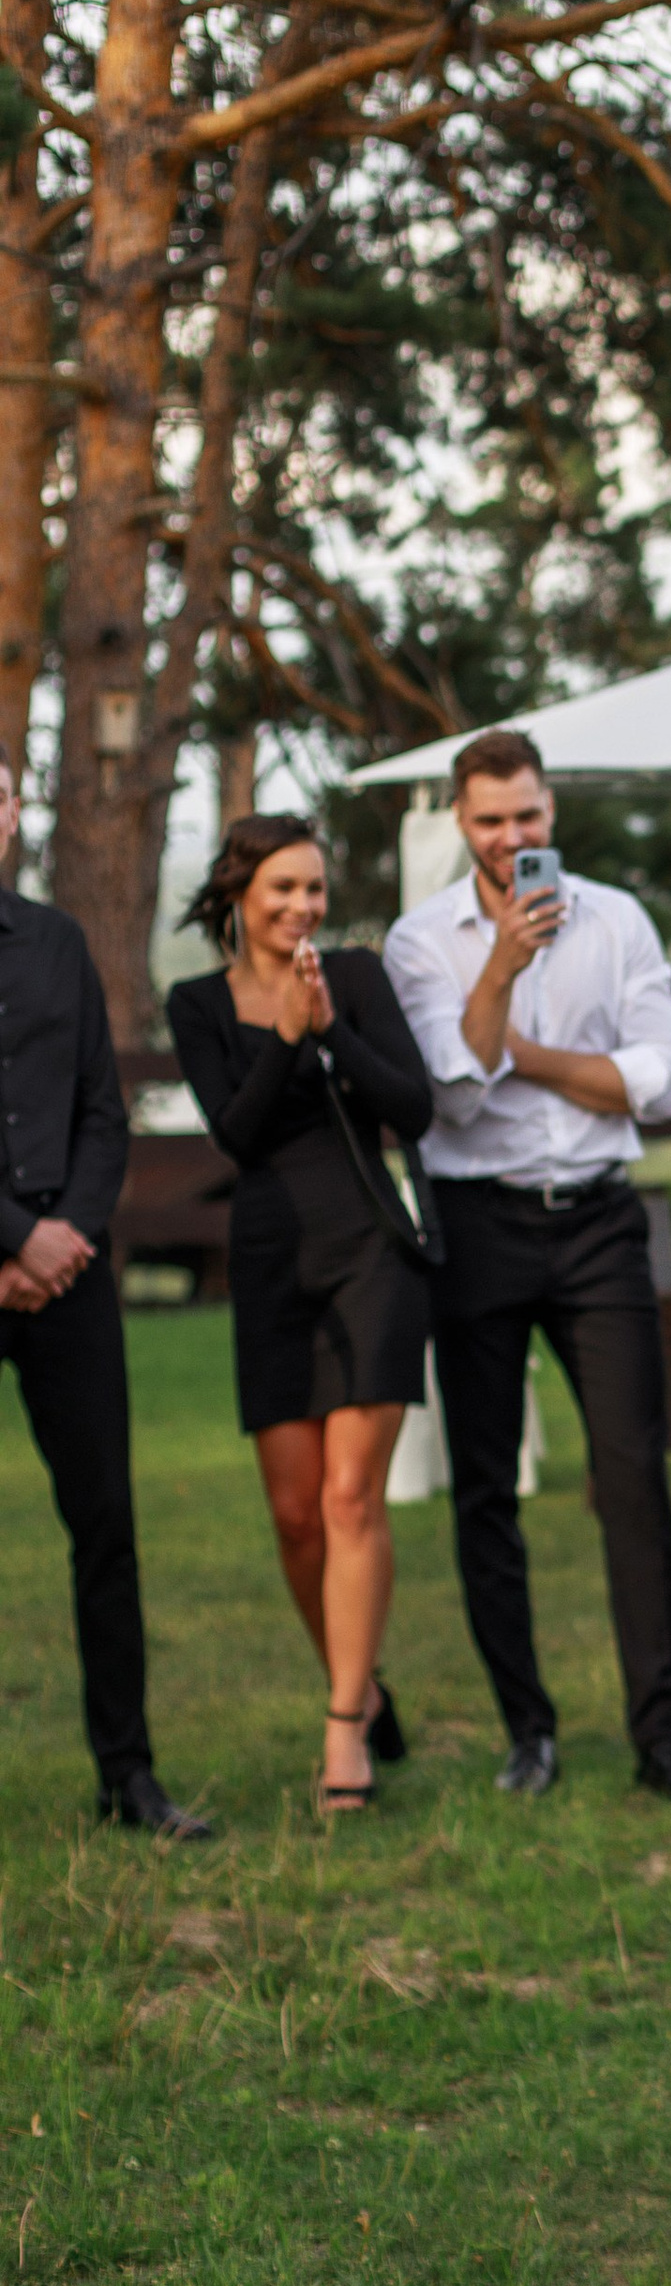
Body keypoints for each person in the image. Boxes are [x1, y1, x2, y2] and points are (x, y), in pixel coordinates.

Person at [384, 728, 671, 1801]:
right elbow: (453, 1092)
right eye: (489, 820)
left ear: (550, 809)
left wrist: (520, 1055)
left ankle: (662, 1739)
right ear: (459, 820)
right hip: (476, 1224)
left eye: (524, 814)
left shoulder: (618, 920)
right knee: (485, 1488)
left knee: (632, 1473)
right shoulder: (420, 941)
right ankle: (527, 1733)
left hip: (598, 1222)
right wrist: (503, 968)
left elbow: (658, 1083)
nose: (509, 836)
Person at [169, 816, 434, 1812]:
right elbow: (237, 1134)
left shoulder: (354, 979)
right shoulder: (197, 1004)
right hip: (272, 1263)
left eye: (314, 888)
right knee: (294, 1515)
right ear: (237, 895)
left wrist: (330, 1032)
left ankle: (341, 1732)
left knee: (350, 1498)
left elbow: (415, 1108)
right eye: (282, 888)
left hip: (371, 1254)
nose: (302, 906)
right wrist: (285, 1036)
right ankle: (362, 1686)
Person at [0, 740, 211, 1837]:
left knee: (106, 1528)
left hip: (67, 1275)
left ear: (11, 812)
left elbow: (99, 1106)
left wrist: (68, 1236)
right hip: (21, 1247)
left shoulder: (57, 942)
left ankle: (128, 1777)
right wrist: (15, 1239)